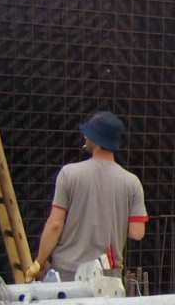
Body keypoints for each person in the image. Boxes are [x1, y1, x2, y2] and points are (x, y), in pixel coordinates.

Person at [25, 111, 149, 282]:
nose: (85, 137)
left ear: (95, 141)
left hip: (68, 272)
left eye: (88, 135)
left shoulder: (69, 174)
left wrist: (38, 263)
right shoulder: (132, 182)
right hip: (108, 276)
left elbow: (55, 224)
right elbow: (137, 232)